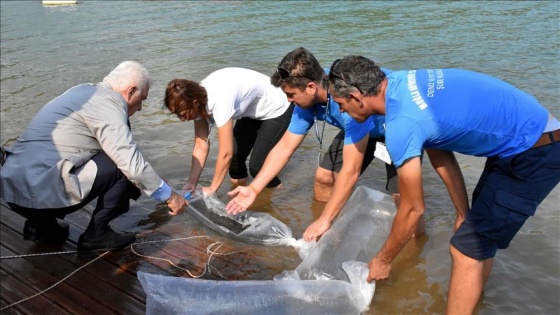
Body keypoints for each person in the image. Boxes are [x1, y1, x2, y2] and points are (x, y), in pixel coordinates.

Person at [326, 55, 560, 314]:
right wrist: (462, 212)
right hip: (520, 141)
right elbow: (440, 149)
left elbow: (413, 209)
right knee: (477, 241)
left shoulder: (401, 124)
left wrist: (382, 261)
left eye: (341, 104)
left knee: (465, 250)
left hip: (534, 151)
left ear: (358, 96)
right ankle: (473, 303)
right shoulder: (398, 81)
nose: (342, 112)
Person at [226, 47, 416, 241]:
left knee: (404, 199)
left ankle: (414, 251)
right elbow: (285, 148)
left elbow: (351, 171)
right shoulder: (305, 103)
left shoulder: (345, 97)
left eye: (291, 94)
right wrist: (254, 189)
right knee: (324, 177)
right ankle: (326, 235)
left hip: (394, 125)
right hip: (357, 129)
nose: (288, 100)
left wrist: (325, 218)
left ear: (310, 87)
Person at [0, 61, 187, 257]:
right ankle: (97, 235)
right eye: (142, 99)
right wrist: (170, 196)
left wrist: (155, 181)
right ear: (130, 91)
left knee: (56, 158)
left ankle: (40, 227)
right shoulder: (109, 101)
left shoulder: (79, 92)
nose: (140, 108)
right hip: (39, 195)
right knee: (121, 164)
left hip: (11, 191)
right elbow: (130, 163)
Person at [163, 67, 294, 196]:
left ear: (195, 103)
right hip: (252, 111)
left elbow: (226, 154)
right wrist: (192, 183)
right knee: (236, 160)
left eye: (182, 114)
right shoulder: (194, 99)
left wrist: (212, 188)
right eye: (177, 115)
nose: (182, 119)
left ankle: (280, 197)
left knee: (258, 168)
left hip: (277, 106)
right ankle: (238, 197)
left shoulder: (219, 101)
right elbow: (201, 147)